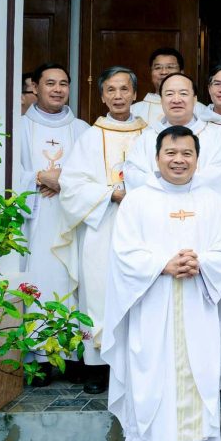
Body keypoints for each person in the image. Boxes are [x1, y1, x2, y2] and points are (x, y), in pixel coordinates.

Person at [102, 125, 221, 441]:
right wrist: (163, 264)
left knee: (198, 377)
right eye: (171, 153)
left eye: (187, 153)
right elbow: (124, 252)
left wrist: (201, 261)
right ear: (157, 157)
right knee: (149, 380)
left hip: (198, 305)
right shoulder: (137, 201)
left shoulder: (212, 201)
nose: (179, 160)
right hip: (151, 307)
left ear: (197, 159)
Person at [53, 67, 147, 394]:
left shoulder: (151, 135)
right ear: (102, 96)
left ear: (135, 94)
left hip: (142, 227)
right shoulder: (90, 137)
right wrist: (111, 193)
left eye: (124, 89)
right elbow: (71, 185)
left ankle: (136, 367)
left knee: (139, 293)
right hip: (101, 225)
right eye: (111, 90)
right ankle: (97, 366)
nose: (118, 96)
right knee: (98, 294)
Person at [18, 63, 90, 378]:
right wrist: (38, 177)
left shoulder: (83, 130)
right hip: (35, 219)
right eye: (50, 83)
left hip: (72, 219)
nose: (58, 89)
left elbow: (94, 175)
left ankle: (73, 354)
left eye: (63, 83)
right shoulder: (20, 127)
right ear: (35, 87)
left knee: (72, 281)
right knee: (40, 281)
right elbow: (7, 174)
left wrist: (64, 181)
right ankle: (41, 358)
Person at [123, 74, 221, 198]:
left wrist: (176, 187)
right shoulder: (146, 138)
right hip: (156, 207)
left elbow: (218, 177)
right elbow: (134, 174)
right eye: (169, 94)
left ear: (195, 99)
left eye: (183, 93)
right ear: (161, 100)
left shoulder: (214, 138)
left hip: (200, 207)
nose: (176, 100)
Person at [131, 47, 205, 124]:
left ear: (181, 72)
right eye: (158, 67)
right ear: (151, 73)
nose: (164, 72)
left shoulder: (201, 110)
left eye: (170, 67)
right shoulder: (134, 111)